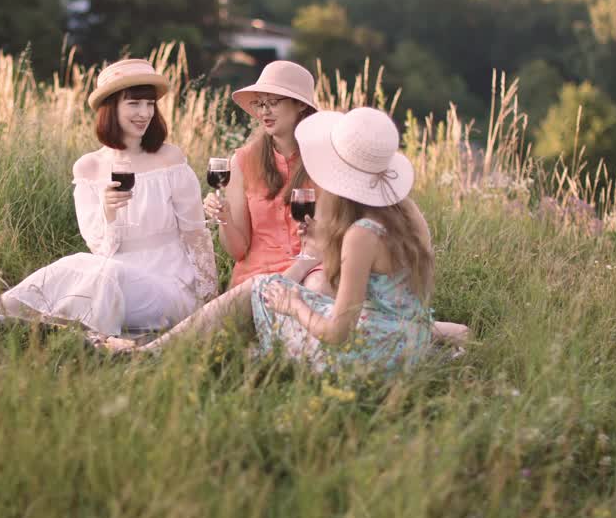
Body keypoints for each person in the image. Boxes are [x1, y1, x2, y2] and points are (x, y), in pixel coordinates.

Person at [109, 107, 468, 374]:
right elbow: (390, 295)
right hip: (404, 345)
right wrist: (321, 247)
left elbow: (338, 332)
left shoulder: (362, 235)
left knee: (262, 288)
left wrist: (293, 305)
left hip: (367, 357)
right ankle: (169, 351)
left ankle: (150, 354)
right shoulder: (407, 216)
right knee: (272, 293)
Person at [0, 58, 217, 340]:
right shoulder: (88, 167)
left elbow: (195, 234)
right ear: (111, 108)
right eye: (134, 103)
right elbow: (100, 248)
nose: (144, 113)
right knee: (85, 267)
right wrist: (108, 213)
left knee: (100, 273)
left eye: (150, 104)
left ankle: (56, 333)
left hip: (170, 288)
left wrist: (208, 300)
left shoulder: (169, 159)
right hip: (111, 281)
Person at [205, 60, 321, 289]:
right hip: (257, 275)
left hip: (309, 271)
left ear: (300, 105)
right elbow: (238, 250)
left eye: (273, 102)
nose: (264, 111)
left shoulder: (323, 161)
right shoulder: (242, 161)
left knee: (318, 284)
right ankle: (185, 328)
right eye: (259, 103)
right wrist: (224, 217)